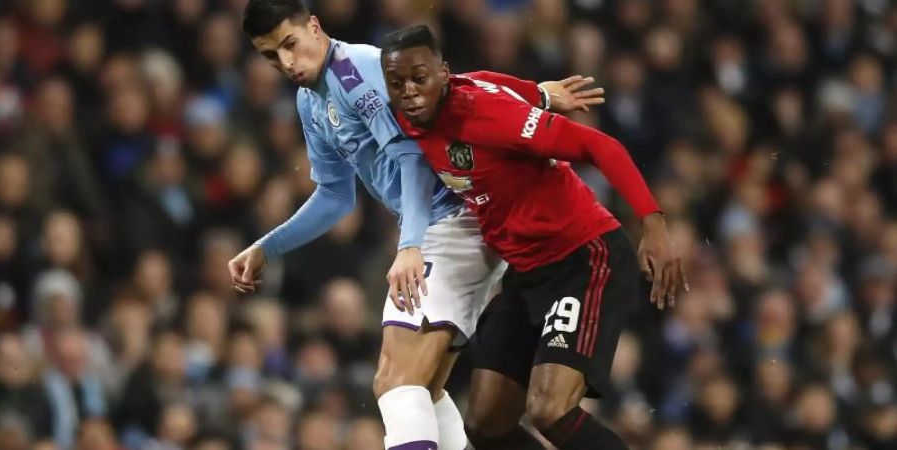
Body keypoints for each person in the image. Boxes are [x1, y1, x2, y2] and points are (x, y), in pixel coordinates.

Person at [228, 2, 605, 449]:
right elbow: (335, 196)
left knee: (395, 382)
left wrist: (410, 245)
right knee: (423, 391)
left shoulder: (357, 71)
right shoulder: (311, 100)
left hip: (454, 219)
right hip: (450, 226)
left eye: (290, 44)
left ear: (314, 27)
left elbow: (413, 153)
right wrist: (266, 248)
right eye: (271, 56)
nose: (286, 63)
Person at [380, 25, 687, 450]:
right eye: (397, 83)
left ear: (444, 74)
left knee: (549, 409)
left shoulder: (484, 116)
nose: (409, 91)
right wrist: (540, 92)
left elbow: (599, 146)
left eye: (419, 78)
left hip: (582, 257)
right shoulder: (408, 113)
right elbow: (499, 82)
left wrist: (653, 224)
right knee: (486, 423)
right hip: (525, 273)